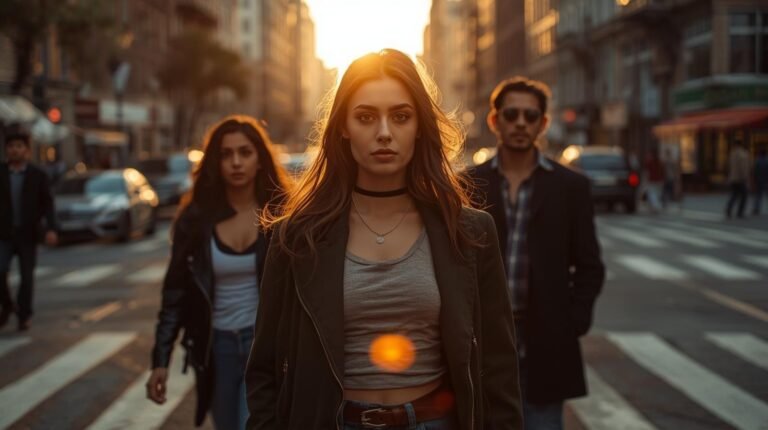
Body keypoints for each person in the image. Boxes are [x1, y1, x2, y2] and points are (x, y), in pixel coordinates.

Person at [245, 49, 522, 430]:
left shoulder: (470, 231)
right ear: (342, 127)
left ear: (420, 126)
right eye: (365, 117)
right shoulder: (297, 236)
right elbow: (264, 368)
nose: (384, 133)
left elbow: (498, 365)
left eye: (401, 116)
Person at [464, 76, 604, 430]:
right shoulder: (467, 184)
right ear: (494, 121)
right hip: (484, 336)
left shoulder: (570, 186)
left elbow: (589, 265)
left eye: (531, 116)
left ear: (543, 123)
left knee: (543, 421)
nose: (521, 124)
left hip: (547, 335)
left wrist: (574, 320)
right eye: (511, 115)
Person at [147, 115, 291, 429]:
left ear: (259, 158)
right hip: (217, 350)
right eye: (226, 154)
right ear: (215, 162)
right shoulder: (196, 220)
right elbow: (175, 294)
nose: (236, 162)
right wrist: (160, 361)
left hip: (265, 349)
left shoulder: (283, 215)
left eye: (245, 152)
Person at [0, 129, 58, 332]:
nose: (14, 150)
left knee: (26, 277)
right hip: (4, 234)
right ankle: (7, 306)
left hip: (28, 234)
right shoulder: (1, 173)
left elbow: (48, 203)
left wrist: (51, 228)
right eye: (10, 146)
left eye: (18, 146)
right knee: (0, 272)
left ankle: (24, 315)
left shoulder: (37, 175)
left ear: (27, 150)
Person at [725, 141, 750, 219]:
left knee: (734, 195)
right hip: (740, 178)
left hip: (733, 178)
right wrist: (745, 177)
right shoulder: (743, 154)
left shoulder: (732, 154)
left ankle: (728, 209)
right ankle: (740, 212)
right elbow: (744, 167)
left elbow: (729, 166)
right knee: (744, 196)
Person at [751, 148, 767, 215]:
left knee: (758, 196)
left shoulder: (757, 161)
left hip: (758, 181)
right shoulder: (766, 161)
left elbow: (754, 172)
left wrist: (753, 181)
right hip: (766, 181)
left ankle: (756, 209)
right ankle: (756, 209)